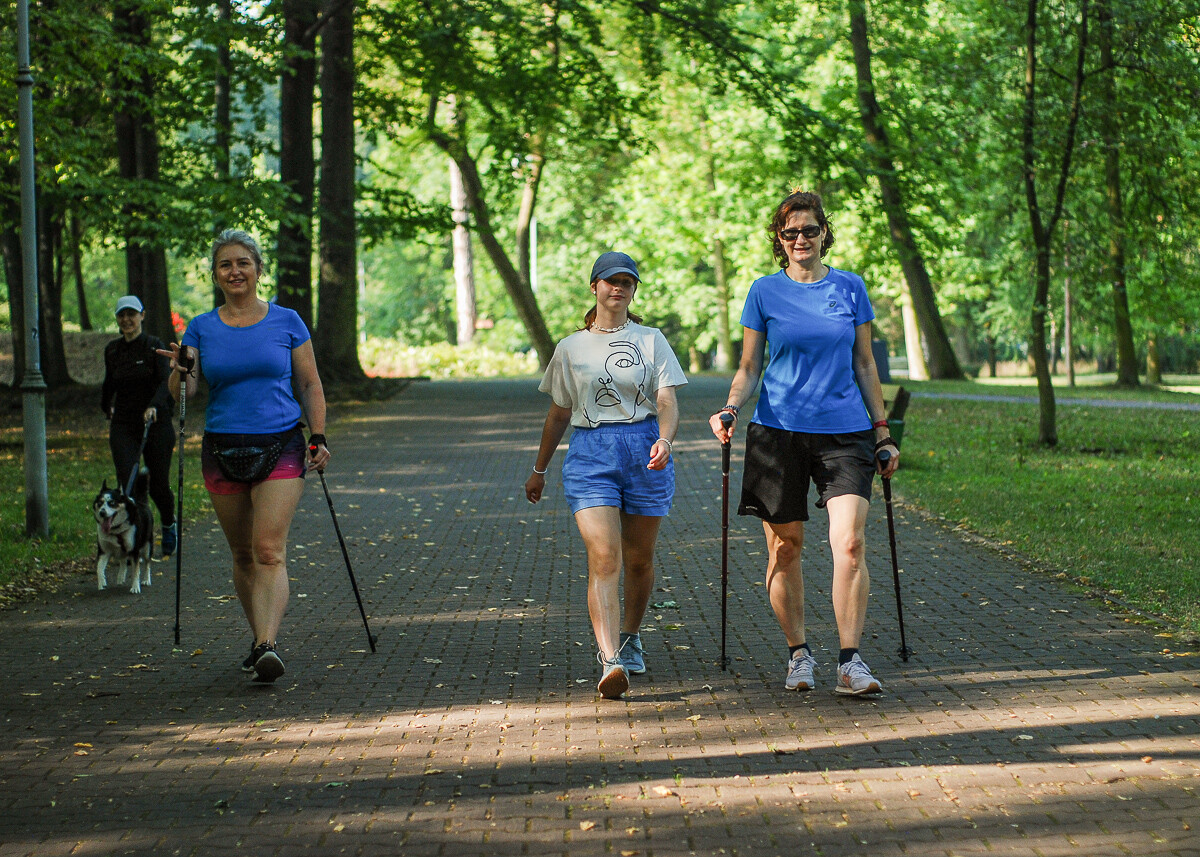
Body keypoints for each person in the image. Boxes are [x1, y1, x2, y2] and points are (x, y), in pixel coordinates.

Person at [709, 190, 899, 696]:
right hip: (778, 432)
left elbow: (864, 363)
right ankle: (798, 654)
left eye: (809, 230)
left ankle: (851, 661)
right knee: (785, 548)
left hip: (845, 431)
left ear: (823, 234)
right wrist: (730, 407)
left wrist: (882, 431)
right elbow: (750, 366)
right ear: (779, 238)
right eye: (790, 232)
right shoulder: (763, 292)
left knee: (851, 542)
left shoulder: (851, 288)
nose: (800, 240)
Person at [159, 229, 330, 684]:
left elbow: (310, 384)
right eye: (225, 265)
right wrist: (179, 371)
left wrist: (318, 436)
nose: (235, 271)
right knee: (241, 553)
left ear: (257, 269)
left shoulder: (288, 320)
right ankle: (259, 638)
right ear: (215, 275)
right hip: (222, 448)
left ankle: (267, 645)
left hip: (281, 443)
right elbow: (188, 390)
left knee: (268, 548)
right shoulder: (200, 327)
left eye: (243, 263)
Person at [525, 251, 687, 699]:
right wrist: (539, 469)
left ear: (634, 290)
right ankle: (610, 659)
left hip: (645, 447)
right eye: (609, 281)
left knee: (638, 559)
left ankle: (631, 637)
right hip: (590, 453)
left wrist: (666, 439)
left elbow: (668, 400)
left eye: (626, 282)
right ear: (594, 287)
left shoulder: (652, 340)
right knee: (605, 558)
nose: (618, 288)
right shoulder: (570, 348)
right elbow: (558, 413)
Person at [100, 295, 178, 557]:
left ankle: (168, 523)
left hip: (155, 424)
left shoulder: (154, 346)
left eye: (132, 314)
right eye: (122, 315)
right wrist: (105, 405)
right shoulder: (112, 350)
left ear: (142, 315)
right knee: (128, 484)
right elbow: (110, 382)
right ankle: (133, 538)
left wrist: (155, 405)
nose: (127, 320)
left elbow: (165, 382)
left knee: (157, 486)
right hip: (124, 423)